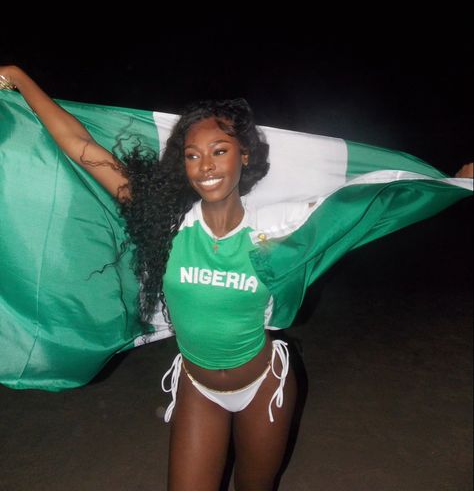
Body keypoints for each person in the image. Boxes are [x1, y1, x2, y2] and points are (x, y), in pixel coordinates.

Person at [0, 64, 472, 491]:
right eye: (192, 155)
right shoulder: (169, 223)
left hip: (265, 383)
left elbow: (364, 203)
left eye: (219, 151)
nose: (205, 166)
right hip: (197, 386)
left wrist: (450, 185)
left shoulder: (278, 225)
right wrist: (21, 78)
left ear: (244, 156)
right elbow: (84, 150)